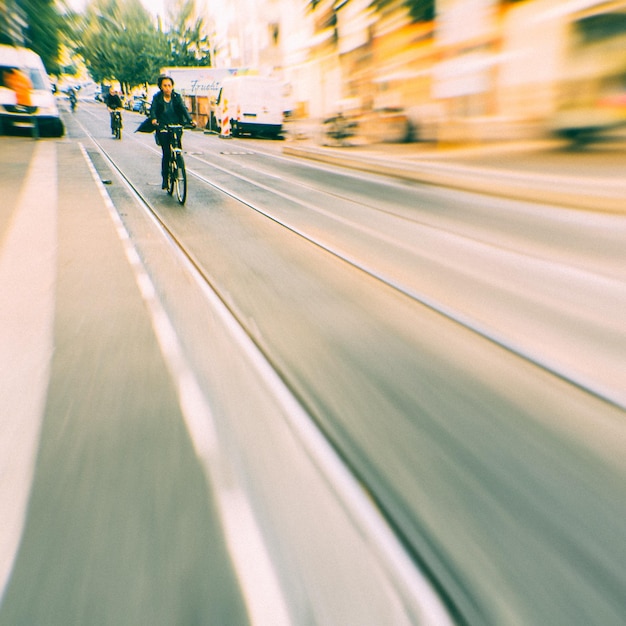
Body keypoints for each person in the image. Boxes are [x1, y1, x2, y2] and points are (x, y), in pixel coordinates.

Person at [149, 74, 195, 189]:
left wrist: (190, 120)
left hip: (176, 125)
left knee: (177, 147)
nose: (167, 88)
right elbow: (153, 109)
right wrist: (154, 119)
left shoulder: (176, 97)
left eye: (169, 85)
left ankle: (178, 164)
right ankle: (165, 178)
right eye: (165, 85)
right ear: (161, 87)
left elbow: (183, 109)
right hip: (163, 126)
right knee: (166, 153)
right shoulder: (157, 97)